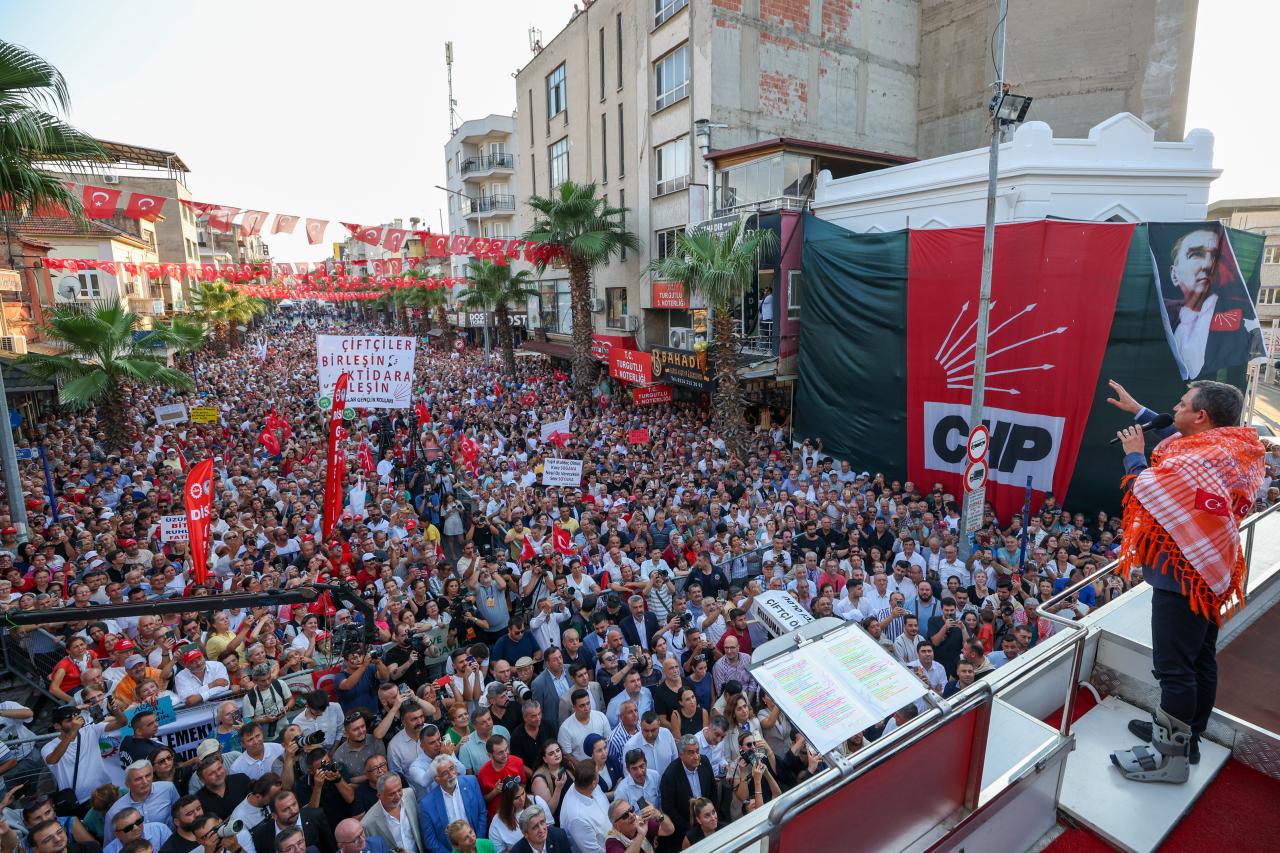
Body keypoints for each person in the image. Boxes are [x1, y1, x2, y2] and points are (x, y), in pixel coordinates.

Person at [1108, 379, 1265, 783]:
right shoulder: (1232, 449)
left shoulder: (1197, 461)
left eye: (1181, 404)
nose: (1173, 408)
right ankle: (1187, 737)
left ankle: (1168, 759)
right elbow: (1183, 444)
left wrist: (1134, 455)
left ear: (1202, 416)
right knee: (1198, 660)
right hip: (1212, 570)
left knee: (1174, 669)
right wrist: (1141, 412)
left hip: (1183, 573)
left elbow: (1149, 489)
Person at [1154, 226, 1264, 380]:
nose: (1207, 265)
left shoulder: (1241, 316)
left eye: (1215, 257)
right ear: (1174, 274)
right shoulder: (1161, 313)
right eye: (1196, 254)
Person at [43, 704, 128, 810]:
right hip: (80, 800)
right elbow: (53, 760)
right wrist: (72, 732)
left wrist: (115, 710)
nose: (75, 722)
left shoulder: (90, 730)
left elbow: (122, 722)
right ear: (57, 726)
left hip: (106, 789)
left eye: (77, 717)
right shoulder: (48, 747)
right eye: (69, 720)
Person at [417, 755, 486, 853]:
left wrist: (477, 844)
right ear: (437, 779)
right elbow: (430, 840)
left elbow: (482, 813)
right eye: (445, 773)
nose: (451, 774)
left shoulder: (471, 782)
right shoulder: (427, 804)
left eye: (451, 768)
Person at [657, 737, 715, 843]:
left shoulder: (705, 761)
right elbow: (668, 808)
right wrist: (689, 829)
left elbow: (713, 791)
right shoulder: (670, 775)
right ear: (681, 754)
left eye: (697, 751)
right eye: (691, 753)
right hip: (684, 829)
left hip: (708, 822)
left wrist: (712, 817)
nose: (696, 756)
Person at [249, 790, 336, 853]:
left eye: (294, 804)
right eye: (286, 809)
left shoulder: (315, 816)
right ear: (274, 816)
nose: (293, 811)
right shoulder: (260, 835)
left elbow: (330, 847)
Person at [361, 772, 425, 853]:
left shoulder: (410, 794)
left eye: (399, 790)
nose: (398, 796)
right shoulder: (368, 823)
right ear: (379, 796)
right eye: (392, 794)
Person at [559, 762, 610, 853]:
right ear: (594, 783)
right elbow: (594, 851)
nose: (599, 774)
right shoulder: (577, 818)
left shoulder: (587, 785)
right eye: (598, 773)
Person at [603, 797, 674, 853]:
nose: (631, 815)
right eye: (625, 815)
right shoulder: (612, 841)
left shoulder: (641, 821)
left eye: (631, 810)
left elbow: (669, 830)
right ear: (616, 826)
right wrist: (640, 835)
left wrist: (658, 815)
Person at [508, 805, 574, 853]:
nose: (541, 830)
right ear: (525, 834)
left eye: (542, 822)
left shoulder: (560, 836)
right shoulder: (516, 851)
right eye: (535, 827)